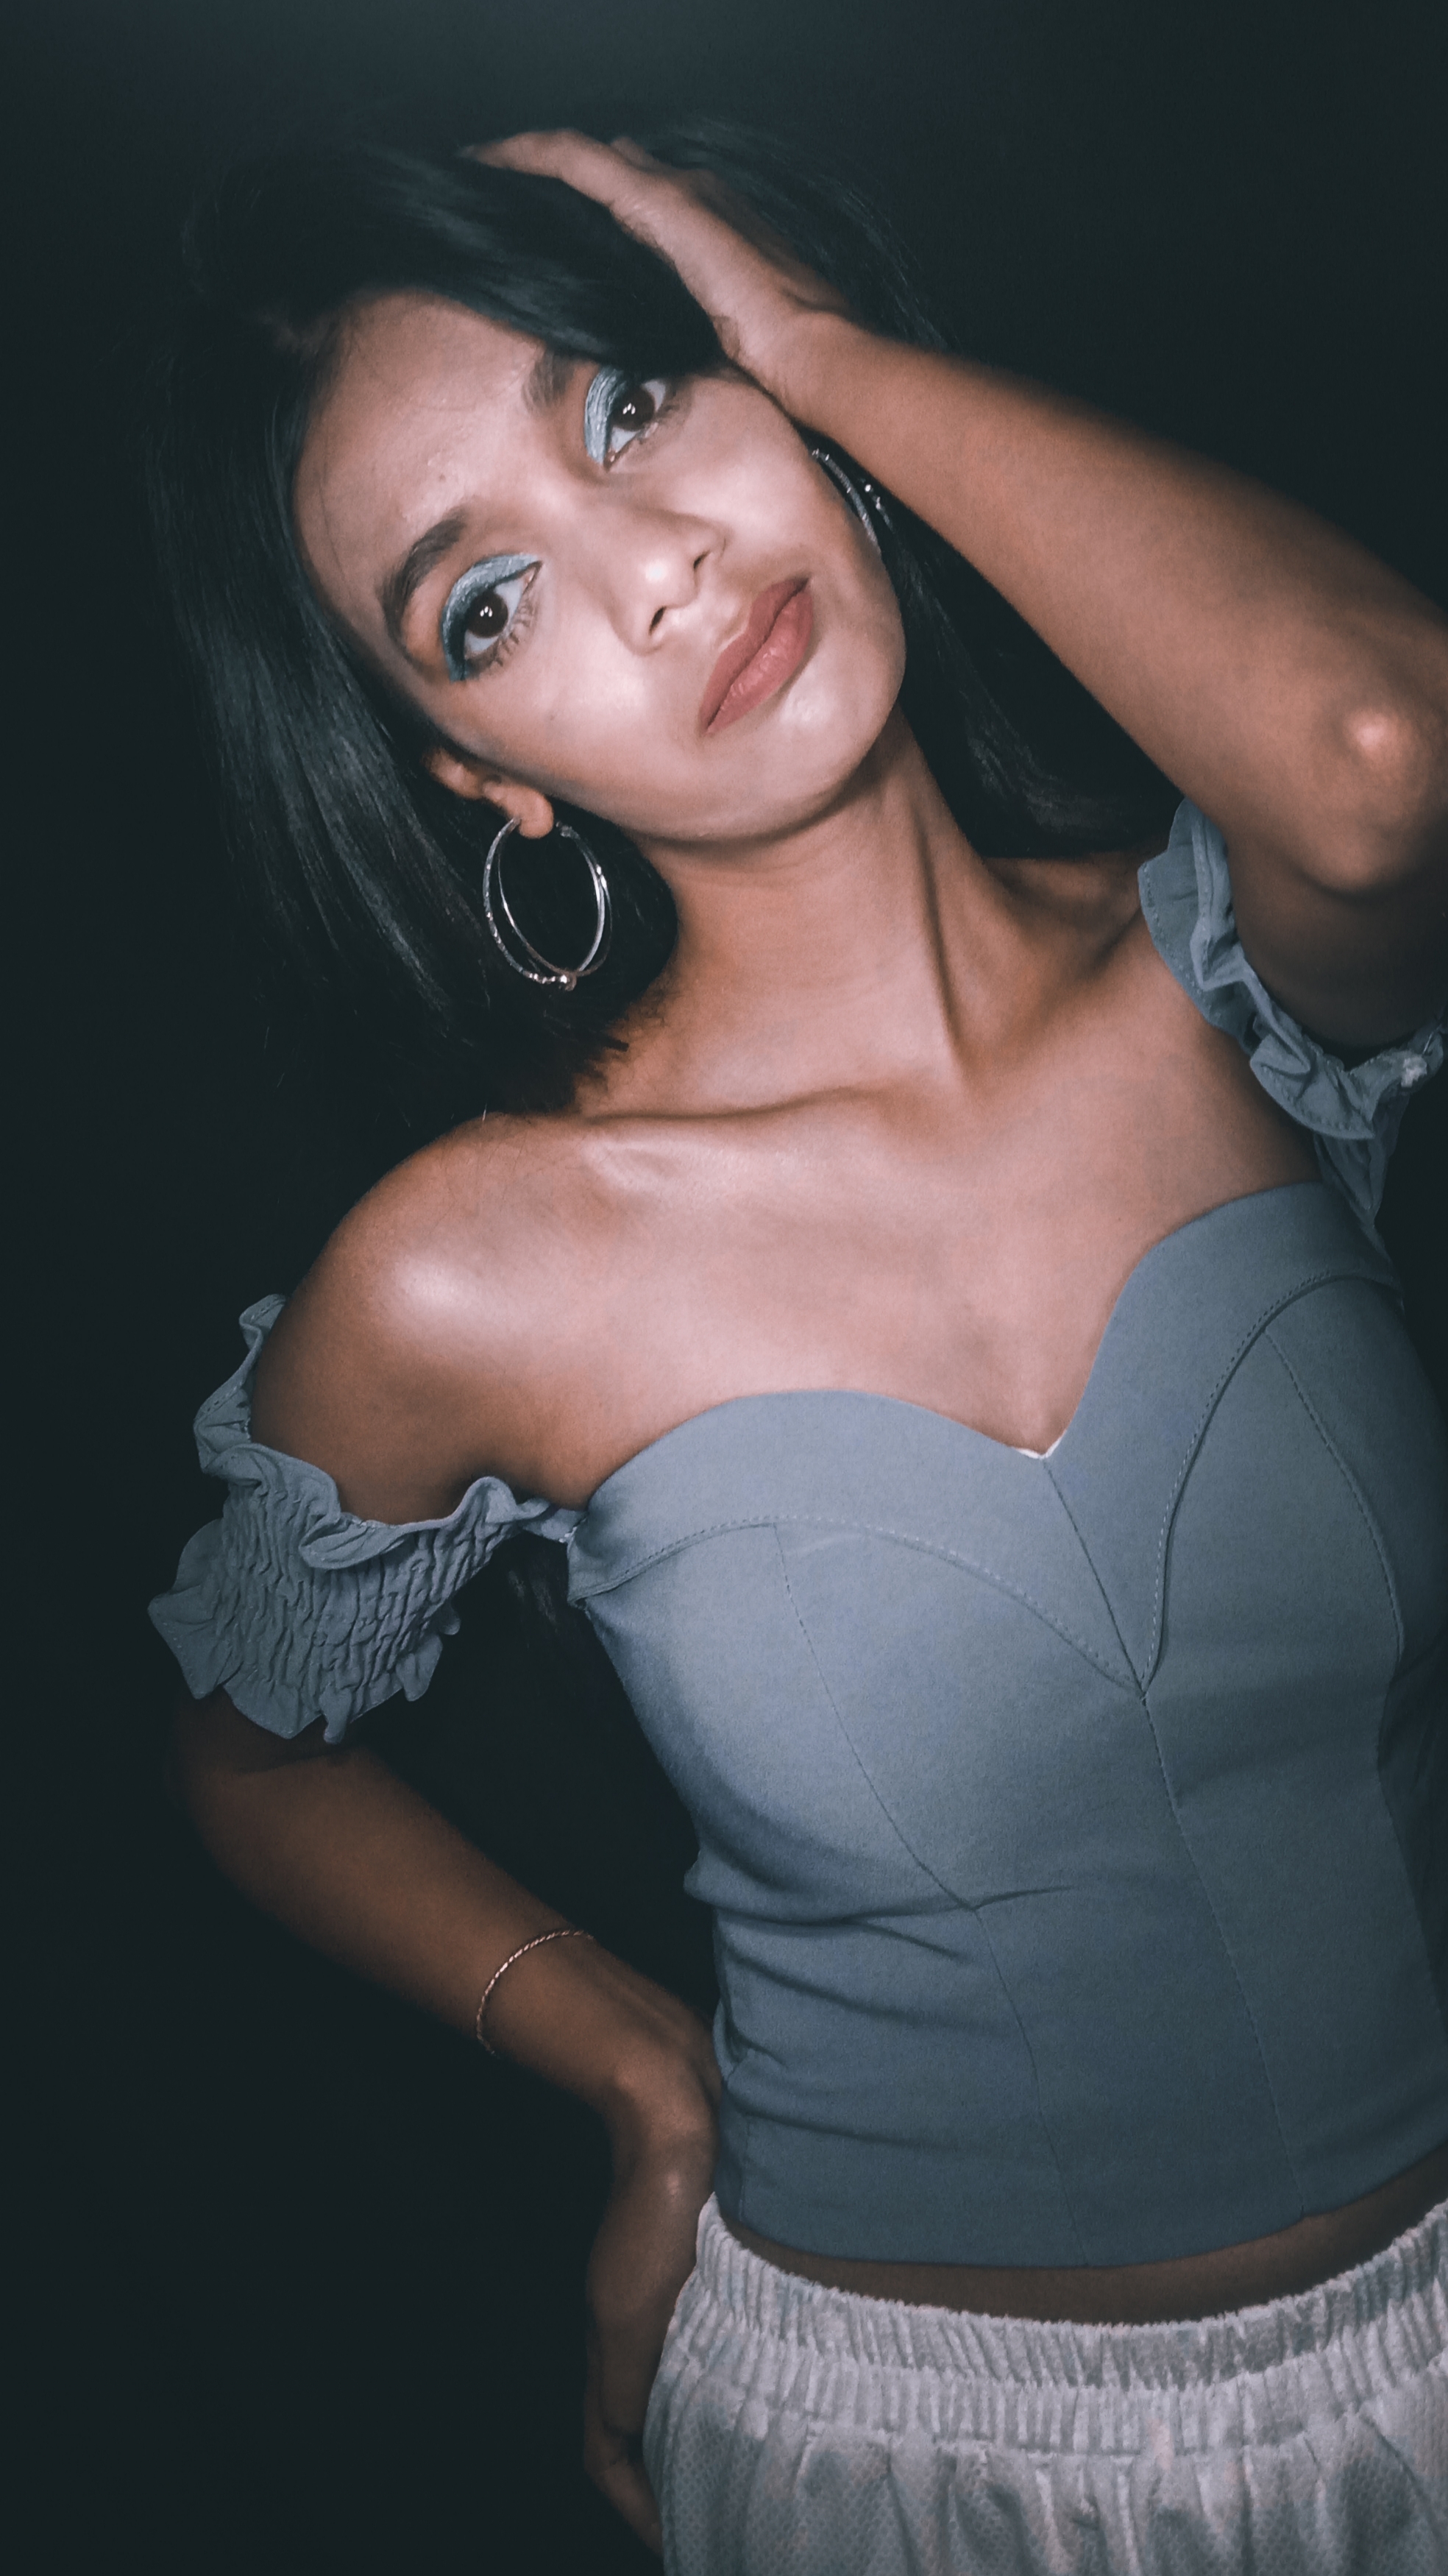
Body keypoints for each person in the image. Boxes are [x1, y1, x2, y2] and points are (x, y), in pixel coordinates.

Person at [146, 122, 1448, 2575]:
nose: (657, 569)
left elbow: (1390, 762)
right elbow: (244, 1757)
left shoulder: (1226, 972)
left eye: (634, 400)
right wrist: (636, 2069)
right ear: (480, 772)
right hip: (905, 2466)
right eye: (490, 603)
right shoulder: (473, 1274)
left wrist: (819, 350)